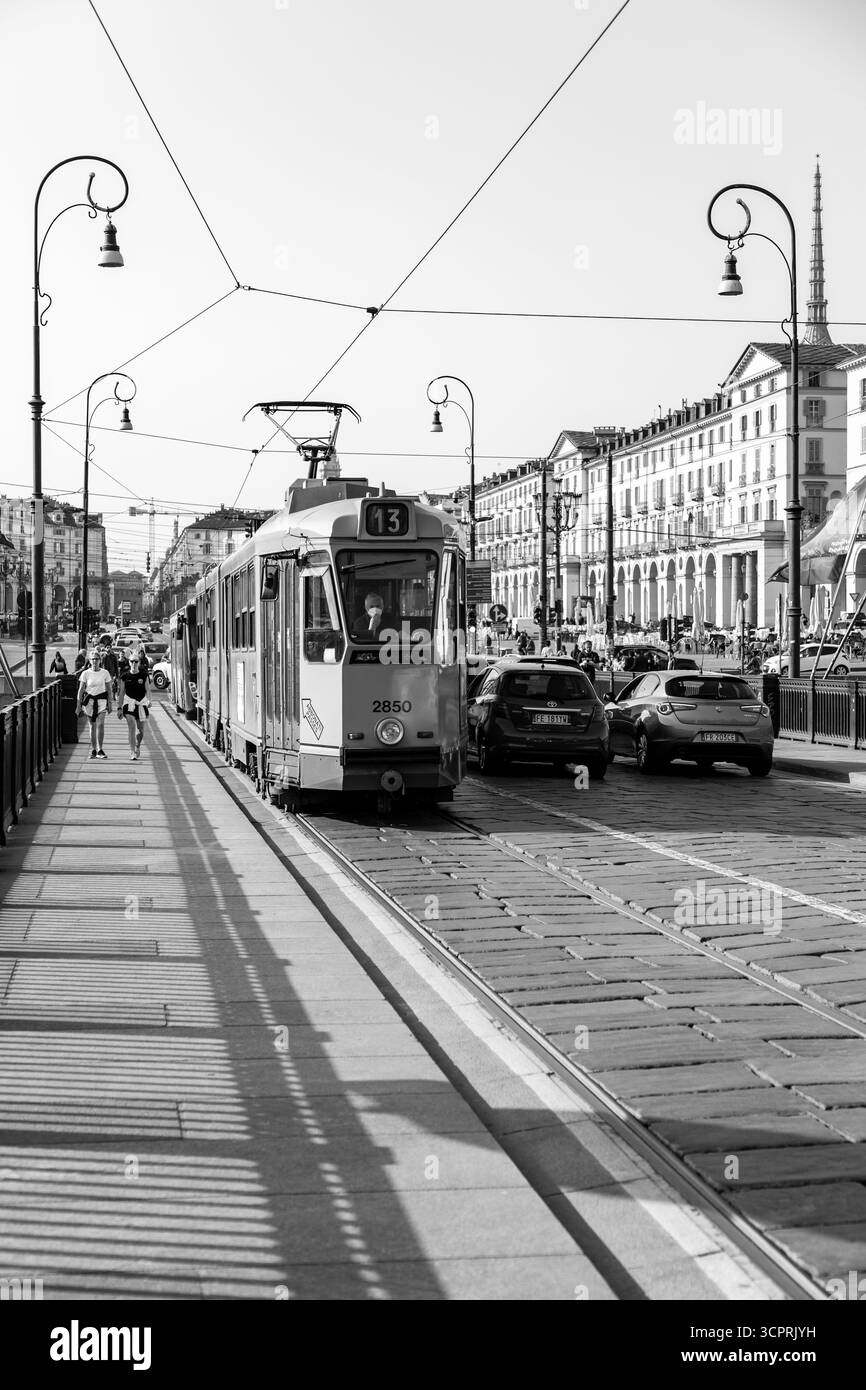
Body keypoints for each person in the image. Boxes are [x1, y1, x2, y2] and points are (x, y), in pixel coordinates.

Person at [76, 648, 113, 758]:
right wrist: (78, 705)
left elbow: (109, 690)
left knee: (100, 724)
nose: (95, 661)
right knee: (92, 726)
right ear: (90, 661)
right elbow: (81, 690)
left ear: (100, 660)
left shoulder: (105, 673)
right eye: (93, 659)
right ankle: (93, 749)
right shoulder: (85, 673)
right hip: (89, 702)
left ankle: (100, 749)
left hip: (101, 701)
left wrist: (110, 704)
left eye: (97, 659)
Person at [118, 652, 151, 760]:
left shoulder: (144, 675)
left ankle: (137, 745)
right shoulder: (125, 676)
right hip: (129, 703)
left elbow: (148, 689)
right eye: (132, 661)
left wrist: (149, 700)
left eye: (136, 661)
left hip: (141, 703)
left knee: (141, 731)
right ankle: (132, 752)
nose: (134, 663)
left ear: (139, 662)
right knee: (132, 726)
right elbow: (121, 693)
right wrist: (119, 707)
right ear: (129, 662)